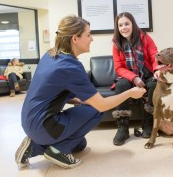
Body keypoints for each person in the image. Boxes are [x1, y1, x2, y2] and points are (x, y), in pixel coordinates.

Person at [15, 15, 146, 169]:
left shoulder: (51, 55)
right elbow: (102, 105)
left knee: (80, 144)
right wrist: (130, 92)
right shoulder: (71, 67)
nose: (92, 39)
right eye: (88, 35)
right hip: (42, 125)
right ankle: (57, 149)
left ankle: (33, 146)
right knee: (96, 110)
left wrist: (77, 101)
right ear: (75, 39)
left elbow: (49, 91)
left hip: (29, 121)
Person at [112, 12, 158, 146]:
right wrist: (134, 78)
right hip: (129, 75)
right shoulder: (116, 43)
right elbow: (119, 68)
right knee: (120, 86)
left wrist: (156, 71)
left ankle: (147, 125)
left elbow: (154, 55)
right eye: (120, 25)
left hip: (147, 74)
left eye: (127, 24)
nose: (124, 27)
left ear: (133, 24)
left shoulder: (145, 37)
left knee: (154, 85)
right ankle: (123, 128)